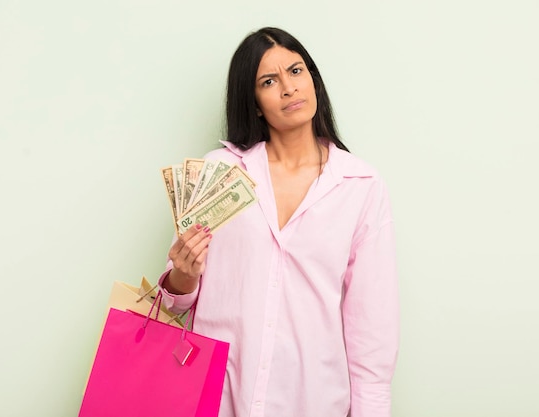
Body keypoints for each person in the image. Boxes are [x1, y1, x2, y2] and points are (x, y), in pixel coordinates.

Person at [159, 27, 399, 417]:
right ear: (253, 102)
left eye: (296, 71)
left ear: (314, 82)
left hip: (313, 400)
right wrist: (182, 276)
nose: (288, 88)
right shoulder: (219, 172)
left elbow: (372, 330)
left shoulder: (361, 187)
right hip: (216, 397)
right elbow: (172, 303)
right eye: (269, 81)